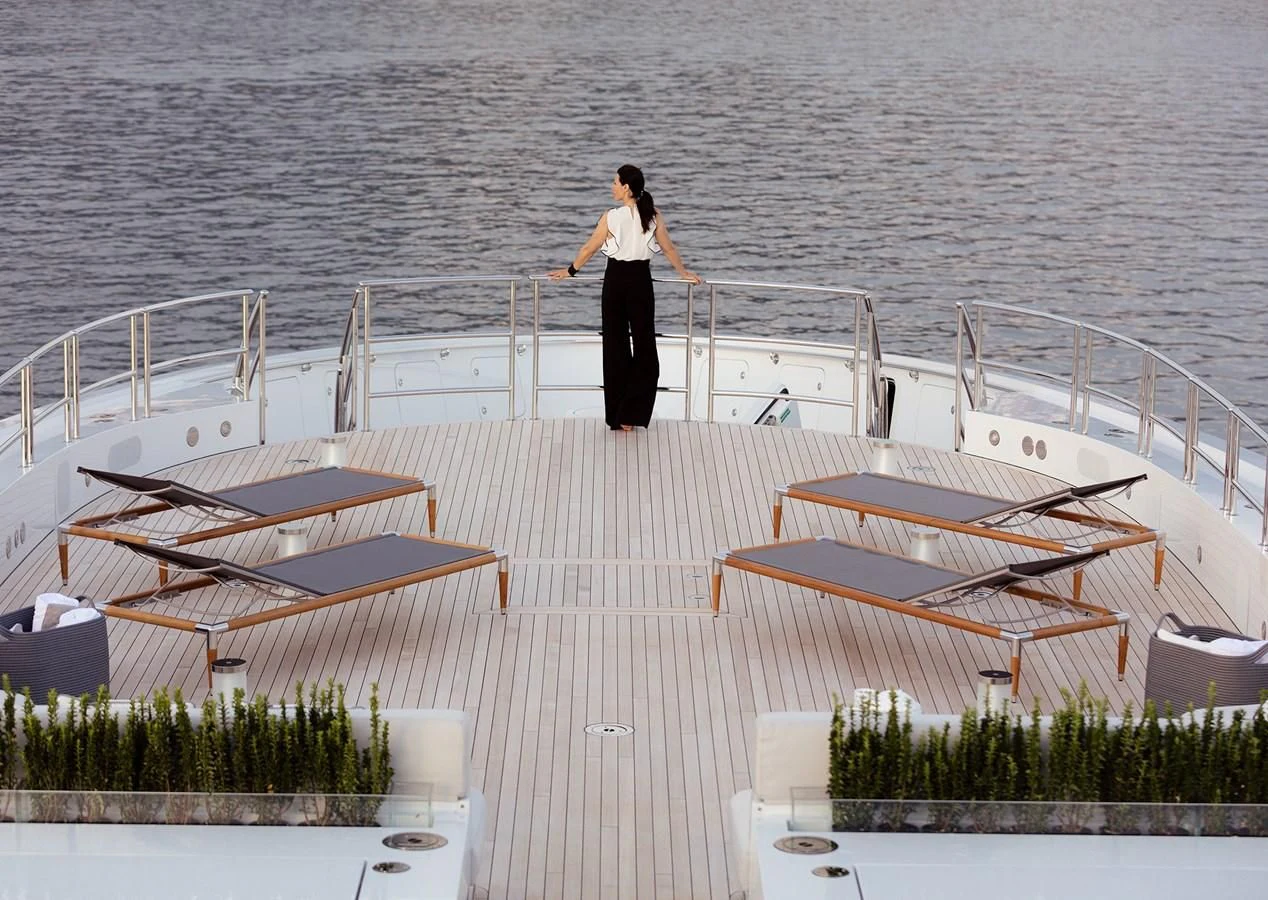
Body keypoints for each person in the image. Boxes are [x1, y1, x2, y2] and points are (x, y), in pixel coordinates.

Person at [550, 165, 701, 432]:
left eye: (615, 182)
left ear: (626, 188)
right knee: (645, 348)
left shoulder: (611, 217)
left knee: (615, 347)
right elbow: (668, 247)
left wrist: (570, 271)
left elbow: (590, 248)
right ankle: (631, 413)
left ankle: (620, 415)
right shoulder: (652, 215)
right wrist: (683, 272)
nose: (612, 186)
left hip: (616, 284)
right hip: (641, 283)